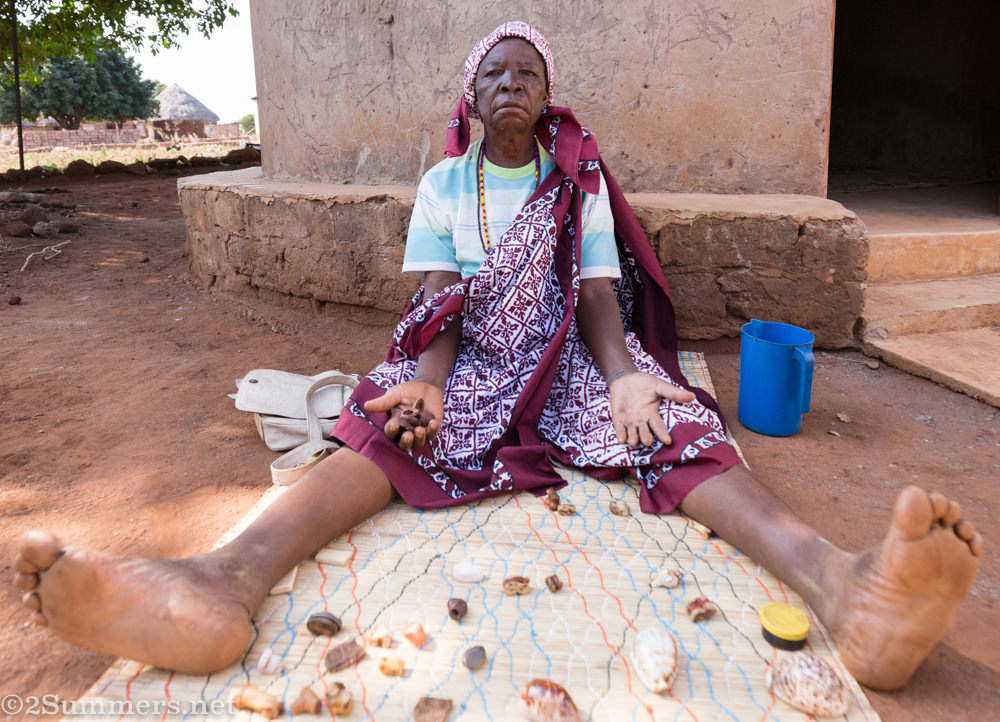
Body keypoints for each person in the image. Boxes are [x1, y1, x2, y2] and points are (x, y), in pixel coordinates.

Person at [14, 22, 981, 692]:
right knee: (381, 427)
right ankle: (220, 581)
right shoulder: (444, 183)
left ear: (548, 96)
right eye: (493, 75)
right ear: (470, 99)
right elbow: (435, 303)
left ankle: (837, 583)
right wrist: (427, 384)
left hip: (566, 356)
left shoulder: (579, 184)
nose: (510, 85)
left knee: (677, 425)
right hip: (468, 358)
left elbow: (598, 295)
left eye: (527, 74)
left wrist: (630, 375)